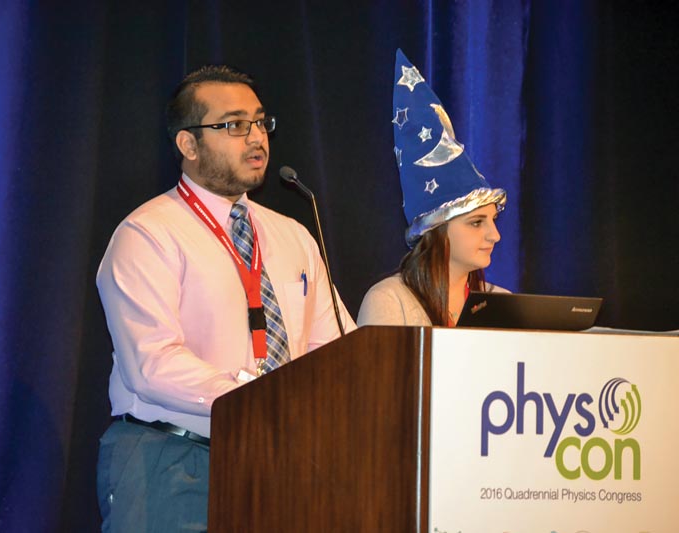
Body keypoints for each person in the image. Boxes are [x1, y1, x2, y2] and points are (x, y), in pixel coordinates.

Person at [95, 64, 355, 533]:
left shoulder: (292, 235)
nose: (256, 137)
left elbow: (335, 349)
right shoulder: (148, 234)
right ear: (188, 145)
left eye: (260, 122)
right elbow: (152, 364)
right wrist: (261, 398)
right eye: (234, 125)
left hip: (284, 462)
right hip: (173, 457)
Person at [358, 49, 508, 327]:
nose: (495, 235)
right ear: (436, 229)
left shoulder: (503, 304)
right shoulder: (390, 301)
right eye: (476, 222)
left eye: (493, 220)